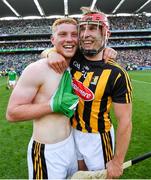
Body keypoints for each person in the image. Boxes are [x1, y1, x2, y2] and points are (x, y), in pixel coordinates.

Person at [43, 7, 132, 179]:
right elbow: (52, 48)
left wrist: (118, 160)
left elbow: (125, 122)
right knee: (79, 176)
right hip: (73, 133)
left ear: (106, 33)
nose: (85, 34)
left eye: (92, 28)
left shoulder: (116, 73)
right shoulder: (74, 58)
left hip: (98, 139)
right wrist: (51, 53)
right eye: (82, 29)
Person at [6, 18, 80, 179]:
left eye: (74, 34)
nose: (69, 39)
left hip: (72, 145)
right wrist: (51, 105)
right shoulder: (37, 69)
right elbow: (12, 113)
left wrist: (108, 50)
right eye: (63, 34)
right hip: (47, 151)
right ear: (53, 39)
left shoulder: (77, 65)